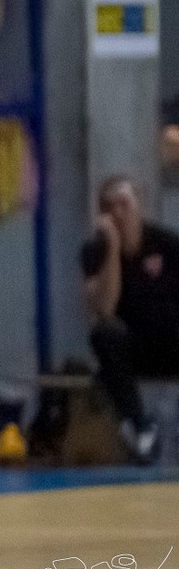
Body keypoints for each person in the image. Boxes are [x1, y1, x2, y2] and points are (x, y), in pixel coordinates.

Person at [80, 175, 179, 463]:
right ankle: (141, 427)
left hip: (171, 341)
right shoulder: (94, 252)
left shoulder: (167, 244)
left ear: (139, 206)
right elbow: (105, 309)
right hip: (133, 350)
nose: (118, 212)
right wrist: (112, 250)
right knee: (104, 334)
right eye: (109, 207)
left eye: (124, 204)